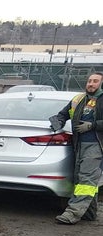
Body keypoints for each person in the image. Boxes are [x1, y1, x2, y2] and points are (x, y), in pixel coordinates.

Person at [50, 71, 103, 224]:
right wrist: (58, 122)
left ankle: (72, 213)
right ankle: (89, 212)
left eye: (95, 81)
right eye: (89, 81)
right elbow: (63, 114)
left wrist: (93, 125)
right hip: (79, 145)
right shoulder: (78, 99)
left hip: (96, 145)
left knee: (86, 180)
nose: (91, 84)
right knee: (82, 179)